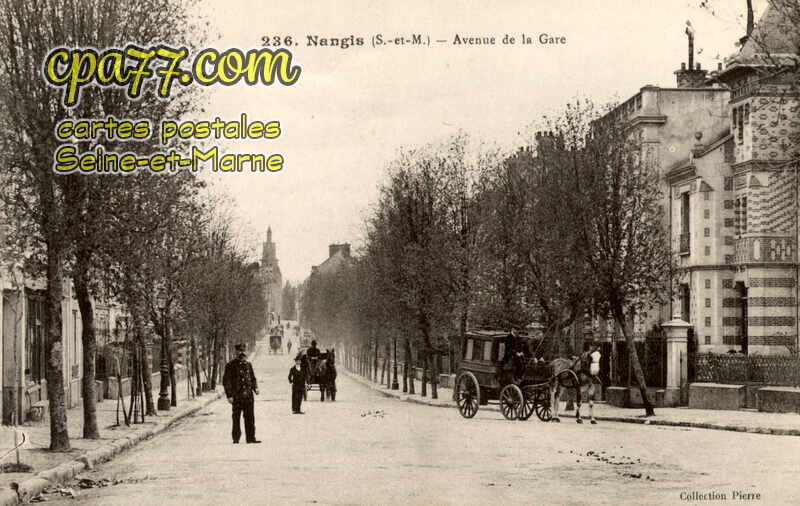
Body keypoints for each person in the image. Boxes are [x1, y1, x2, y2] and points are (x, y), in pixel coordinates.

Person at [222, 343, 260, 444]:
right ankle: (236, 438)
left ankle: (251, 438)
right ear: (236, 352)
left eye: (243, 351)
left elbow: (252, 378)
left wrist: (255, 388)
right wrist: (229, 395)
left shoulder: (248, 365)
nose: (241, 353)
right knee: (236, 418)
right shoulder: (230, 365)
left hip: (248, 396)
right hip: (237, 396)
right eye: (239, 351)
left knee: (250, 417)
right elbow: (226, 381)